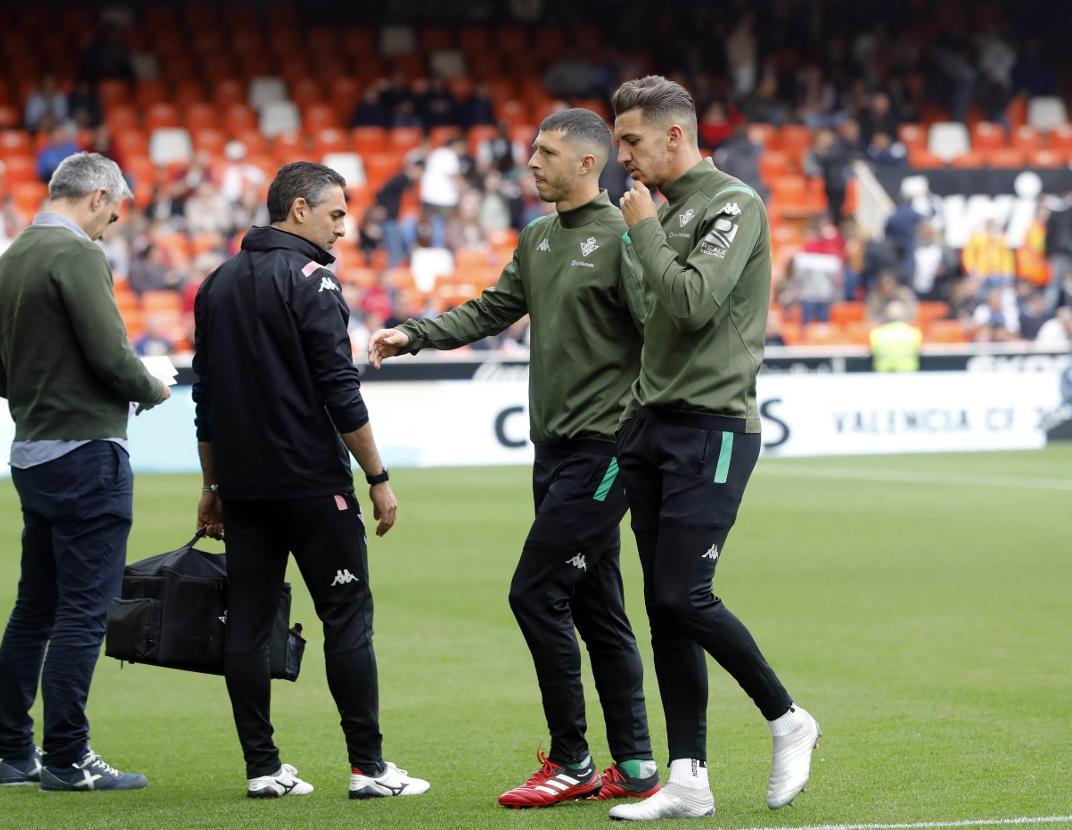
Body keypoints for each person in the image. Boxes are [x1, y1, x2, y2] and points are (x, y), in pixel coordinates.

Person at [369, 109, 660, 809]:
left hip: (607, 449)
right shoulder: (537, 239)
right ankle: (639, 764)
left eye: (547, 153)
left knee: (534, 591)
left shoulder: (623, 236)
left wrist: (644, 430)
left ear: (588, 164)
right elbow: (490, 309)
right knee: (599, 608)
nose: (531, 163)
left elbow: (663, 331)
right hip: (553, 451)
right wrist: (415, 334)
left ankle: (572, 759)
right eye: (533, 150)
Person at [608, 75, 820, 821]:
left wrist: (642, 230)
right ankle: (689, 778)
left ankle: (788, 719)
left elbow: (693, 304)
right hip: (653, 425)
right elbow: (651, 320)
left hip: (714, 427)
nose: (622, 157)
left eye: (631, 141)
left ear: (674, 135)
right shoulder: (665, 211)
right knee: (664, 611)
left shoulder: (734, 202)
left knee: (682, 595)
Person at [191, 161, 429, 800]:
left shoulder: (214, 285)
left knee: (247, 622)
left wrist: (212, 486)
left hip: (242, 487)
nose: (344, 229)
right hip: (311, 484)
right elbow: (339, 391)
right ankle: (369, 769)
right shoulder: (313, 282)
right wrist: (376, 475)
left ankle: (263, 770)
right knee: (346, 617)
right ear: (299, 209)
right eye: (335, 215)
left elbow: (205, 401)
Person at [0, 152, 170, 792]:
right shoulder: (79, 256)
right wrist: (154, 386)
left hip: (32, 452)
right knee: (83, 612)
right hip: (87, 452)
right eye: (113, 211)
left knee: (34, 606)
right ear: (97, 196)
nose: (111, 224)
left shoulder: (11, 258)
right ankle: (67, 759)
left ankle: (12, 751)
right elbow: (114, 356)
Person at [870, 300, 923, 371]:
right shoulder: (915, 333)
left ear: (886, 316)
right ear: (905, 316)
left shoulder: (876, 333)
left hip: (883, 376)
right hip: (909, 376)